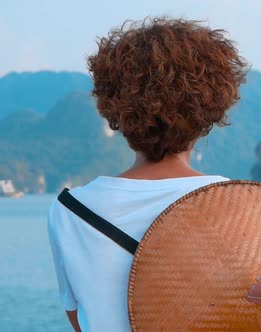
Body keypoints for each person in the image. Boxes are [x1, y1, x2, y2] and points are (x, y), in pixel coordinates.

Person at [47, 17, 248, 331]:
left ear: (113, 109)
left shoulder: (69, 210)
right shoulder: (236, 204)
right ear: (210, 110)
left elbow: (80, 319)